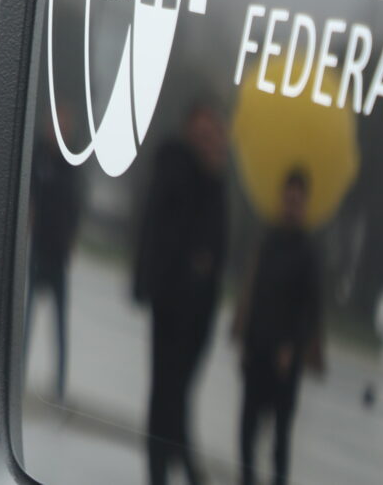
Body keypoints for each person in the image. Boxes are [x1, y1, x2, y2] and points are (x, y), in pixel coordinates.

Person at [134, 102, 230, 485]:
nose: (208, 141)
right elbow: (159, 227)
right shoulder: (176, 168)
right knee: (167, 392)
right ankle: (171, 469)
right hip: (173, 302)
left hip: (199, 311)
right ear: (190, 131)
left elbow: (217, 244)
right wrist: (149, 280)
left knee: (177, 392)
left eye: (213, 135)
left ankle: (178, 464)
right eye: (202, 133)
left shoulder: (213, 182)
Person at [234, 166, 326, 485]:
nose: (291, 206)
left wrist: (293, 345)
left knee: (281, 434)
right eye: (288, 199)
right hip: (258, 348)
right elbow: (254, 293)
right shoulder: (268, 241)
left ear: (304, 205)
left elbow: (310, 308)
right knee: (247, 426)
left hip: (286, 358)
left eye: (297, 201)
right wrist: (245, 340)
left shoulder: (308, 252)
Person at [27, 114, 82, 400]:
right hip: (37, 248)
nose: (60, 131)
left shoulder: (70, 165)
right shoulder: (37, 157)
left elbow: (74, 204)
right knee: (25, 316)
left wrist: (71, 237)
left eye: (65, 127)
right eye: (57, 126)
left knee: (59, 321)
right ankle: (16, 369)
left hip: (58, 253)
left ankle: (60, 383)